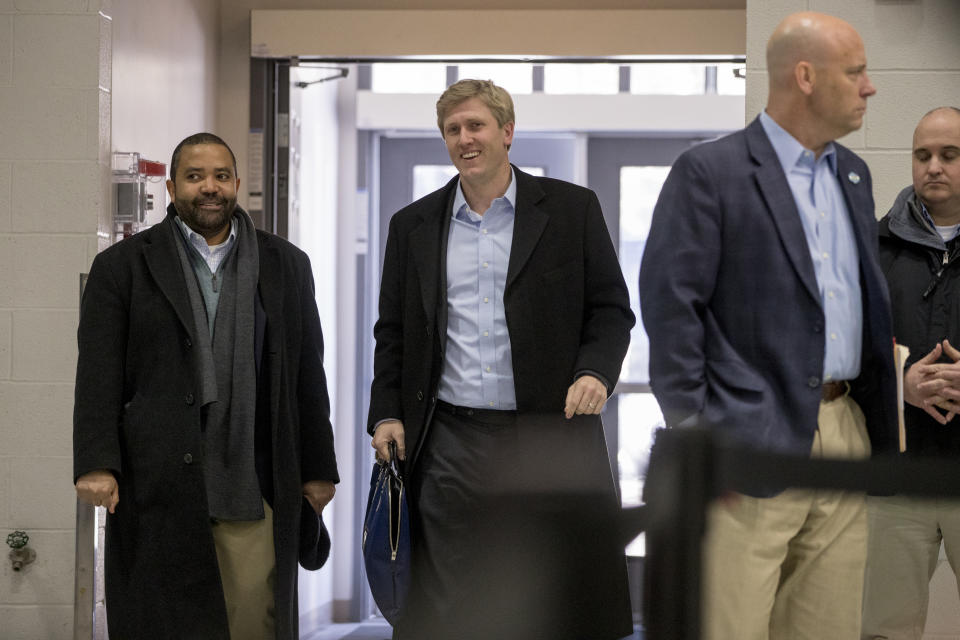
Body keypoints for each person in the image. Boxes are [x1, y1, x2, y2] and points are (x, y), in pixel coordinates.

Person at [638, 12, 897, 639]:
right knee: (730, 628)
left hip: (845, 430)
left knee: (828, 629)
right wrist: (701, 438)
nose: (870, 88)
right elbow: (673, 313)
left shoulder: (854, 176)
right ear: (805, 76)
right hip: (742, 441)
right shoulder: (711, 172)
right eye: (856, 72)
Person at [367, 79, 635, 639]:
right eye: (452, 130)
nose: (465, 139)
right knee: (446, 595)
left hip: (545, 433)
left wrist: (595, 371)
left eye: (476, 126)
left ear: (507, 132)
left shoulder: (569, 210)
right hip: (448, 439)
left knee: (549, 585)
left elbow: (610, 309)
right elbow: (392, 332)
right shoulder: (412, 226)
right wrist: (386, 412)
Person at [73, 133, 338, 640]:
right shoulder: (122, 268)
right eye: (195, 177)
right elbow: (98, 374)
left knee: (250, 623)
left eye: (220, 176)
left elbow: (308, 375)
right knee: (163, 623)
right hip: (156, 484)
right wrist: (95, 461)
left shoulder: (286, 265)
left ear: (237, 183)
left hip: (253, 482)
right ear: (172, 188)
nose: (209, 188)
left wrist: (318, 470)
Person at [862, 106, 960, 639]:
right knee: (885, 629)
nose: (934, 166)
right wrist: (898, 385)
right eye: (923, 155)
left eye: (950, 155)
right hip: (897, 479)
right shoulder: (874, 250)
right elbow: (843, 358)